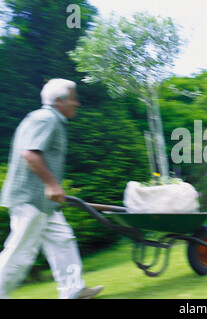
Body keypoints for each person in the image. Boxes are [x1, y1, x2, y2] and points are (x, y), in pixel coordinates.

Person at [0, 78, 103, 299]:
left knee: (62, 240)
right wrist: (52, 184)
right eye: (74, 99)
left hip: (44, 203)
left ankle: (73, 289)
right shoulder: (46, 119)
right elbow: (30, 153)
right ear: (59, 101)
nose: (78, 104)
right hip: (31, 199)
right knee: (20, 252)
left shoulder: (46, 118)